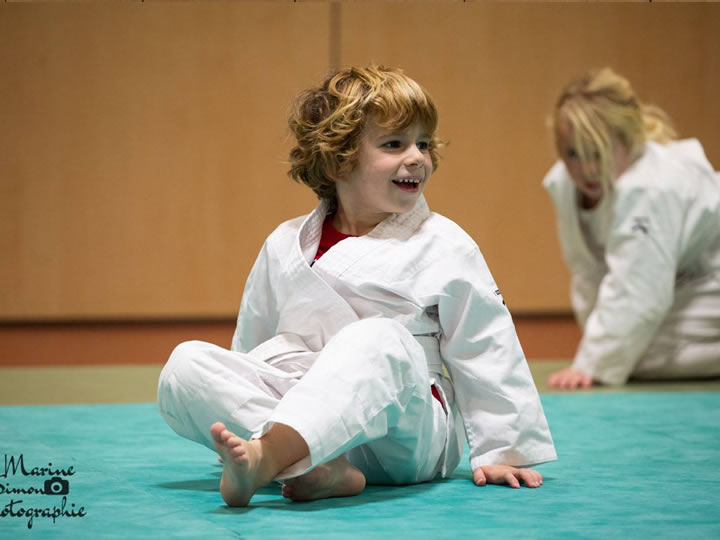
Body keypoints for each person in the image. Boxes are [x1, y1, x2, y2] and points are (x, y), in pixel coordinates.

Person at [158, 64, 556, 507]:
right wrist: (238, 401)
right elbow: (253, 345)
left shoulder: (445, 244)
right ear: (336, 159)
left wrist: (505, 449)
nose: (417, 157)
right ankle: (320, 467)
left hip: (404, 437)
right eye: (394, 144)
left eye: (423, 143)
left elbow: (485, 343)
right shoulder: (285, 244)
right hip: (313, 417)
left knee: (379, 337)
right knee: (184, 366)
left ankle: (270, 455)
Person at [544, 67, 720, 390]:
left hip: (710, 279)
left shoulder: (653, 185)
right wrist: (596, 352)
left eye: (597, 152)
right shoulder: (563, 184)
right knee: (635, 349)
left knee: (642, 352)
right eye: (572, 154)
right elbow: (588, 273)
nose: (586, 169)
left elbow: (641, 292)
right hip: (682, 284)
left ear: (628, 140)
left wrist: (594, 362)